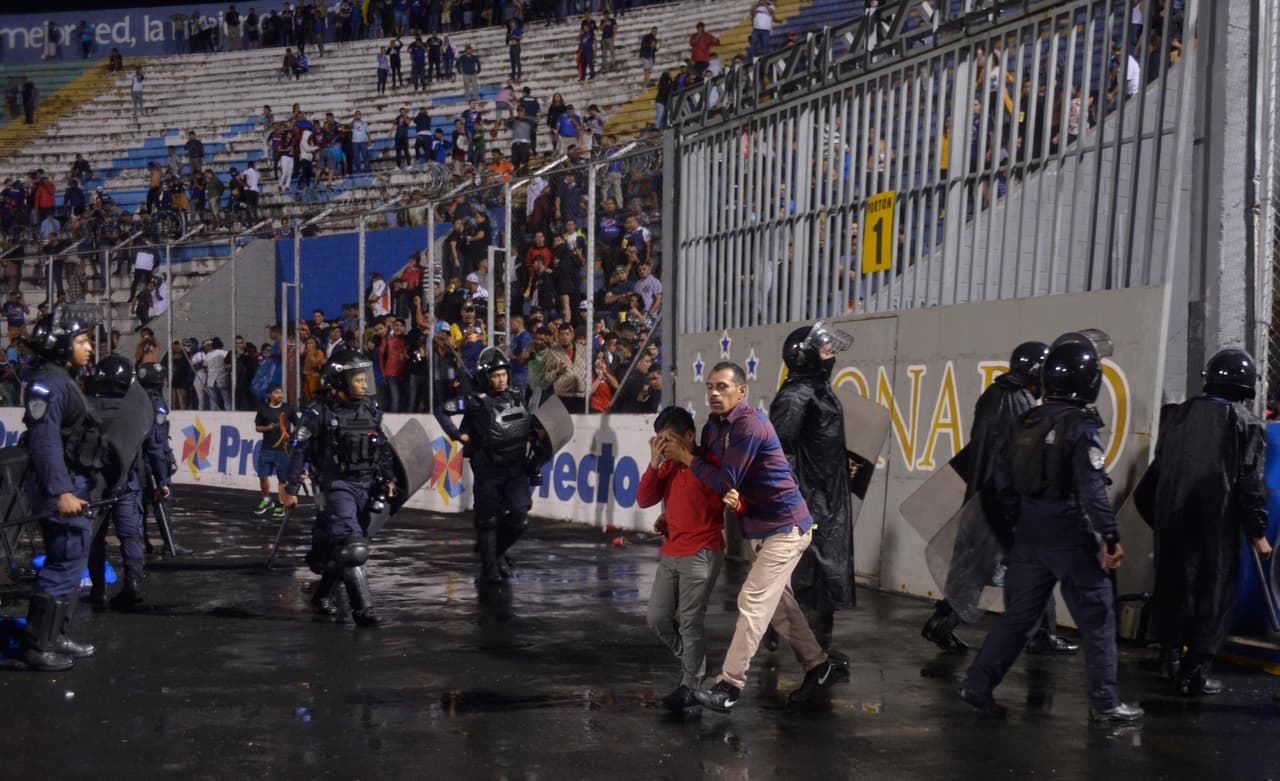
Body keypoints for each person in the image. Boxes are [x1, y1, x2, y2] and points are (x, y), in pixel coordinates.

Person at [961, 333, 1143, 723]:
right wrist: (1110, 536)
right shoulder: (1080, 426)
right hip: (1068, 534)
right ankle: (1106, 702)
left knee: (1019, 618)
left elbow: (1001, 483)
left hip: (1028, 534)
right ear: (1089, 382)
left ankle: (977, 684)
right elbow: (1093, 490)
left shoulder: (1026, 419)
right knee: (1097, 619)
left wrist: (1015, 530)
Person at [662, 362, 846, 712]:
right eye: (710, 387)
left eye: (723, 387)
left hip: (786, 529)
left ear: (741, 391)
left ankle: (729, 685)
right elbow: (713, 479)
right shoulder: (713, 427)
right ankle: (820, 667)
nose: (714, 393)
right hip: (758, 528)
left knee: (751, 601)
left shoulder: (749, 424)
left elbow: (725, 478)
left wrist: (687, 458)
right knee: (778, 608)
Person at [921, 341, 1079, 655]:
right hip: (1005, 500)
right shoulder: (1019, 402)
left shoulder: (994, 395)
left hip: (987, 496)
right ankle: (1040, 635)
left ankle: (944, 622)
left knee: (975, 569)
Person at [1139, 348, 1273, 696]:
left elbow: (1155, 475)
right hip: (1216, 524)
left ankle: (1169, 660)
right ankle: (1193, 672)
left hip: (1172, 519)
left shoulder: (1178, 416)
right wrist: (1258, 533)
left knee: (1172, 586)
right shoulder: (1246, 424)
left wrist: (1161, 517)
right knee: (1214, 594)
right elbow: (1249, 482)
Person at [280, 349, 397, 627]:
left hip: (367, 485)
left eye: (365, 378)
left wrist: (389, 477)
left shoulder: (370, 408)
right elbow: (299, 450)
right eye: (359, 379)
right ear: (341, 381)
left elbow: (382, 447)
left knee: (343, 549)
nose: (365, 384)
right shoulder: (318, 412)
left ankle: (322, 596)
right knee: (354, 548)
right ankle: (363, 610)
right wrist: (291, 488)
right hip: (336, 485)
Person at [18, 305, 104, 670]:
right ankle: (38, 646)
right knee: (63, 561)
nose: (89, 348)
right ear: (61, 345)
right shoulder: (47, 384)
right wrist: (60, 492)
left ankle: (57, 636)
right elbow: (44, 442)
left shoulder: (63, 378)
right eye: (81, 340)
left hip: (74, 484)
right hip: (60, 489)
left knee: (72, 562)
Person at [768, 322, 858, 662]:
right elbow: (778, 453)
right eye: (824, 350)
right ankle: (813, 649)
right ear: (805, 357)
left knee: (825, 573)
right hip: (811, 499)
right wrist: (797, 501)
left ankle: (820, 644)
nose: (831, 355)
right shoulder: (795, 397)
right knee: (812, 574)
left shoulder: (819, 390)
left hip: (828, 495)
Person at [639, 406, 726, 712]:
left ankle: (690, 685)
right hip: (672, 551)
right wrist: (654, 463)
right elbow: (645, 499)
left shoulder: (710, 465)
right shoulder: (668, 466)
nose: (666, 449)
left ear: (690, 436)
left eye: (671, 441)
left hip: (702, 551)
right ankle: (695, 661)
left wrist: (687, 459)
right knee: (658, 618)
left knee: (689, 622)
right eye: (661, 442)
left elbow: (721, 491)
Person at [434, 347, 541, 584]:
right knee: (488, 520)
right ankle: (489, 568)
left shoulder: (517, 395)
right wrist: (456, 435)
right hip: (488, 467)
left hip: (515, 467)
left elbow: (529, 423)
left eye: (503, 374)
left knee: (519, 518)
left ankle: (496, 553)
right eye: (495, 375)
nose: (501, 380)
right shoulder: (473, 400)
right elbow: (441, 410)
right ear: (486, 377)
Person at [85, 356, 168, 610]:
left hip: (95, 483)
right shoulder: (139, 409)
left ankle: (98, 591)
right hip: (127, 483)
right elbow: (155, 449)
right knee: (130, 536)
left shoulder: (86, 406)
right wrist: (162, 481)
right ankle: (131, 586)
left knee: (95, 538)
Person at [253, 384, 293, 518]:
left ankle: (281, 505)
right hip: (266, 449)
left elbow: (298, 424)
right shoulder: (263, 409)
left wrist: (293, 438)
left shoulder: (288, 408)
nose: (280, 395)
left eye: (281, 393)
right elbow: (258, 428)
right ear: (269, 395)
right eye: (276, 393)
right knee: (263, 476)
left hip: (283, 450)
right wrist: (267, 428)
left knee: (283, 479)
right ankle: (266, 500)